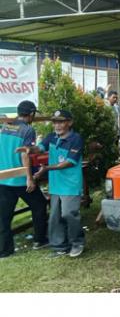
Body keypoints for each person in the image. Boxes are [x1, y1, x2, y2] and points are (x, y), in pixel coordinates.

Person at [17, 110, 85, 258]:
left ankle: (77, 242)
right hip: (56, 185)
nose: (57, 125)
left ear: (70, 122)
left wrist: (47, 168)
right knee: (55, 217)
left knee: (69, 213)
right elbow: (40, 148)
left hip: (70, 184)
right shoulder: (51, 137)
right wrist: (30, 149)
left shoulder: (76, 139)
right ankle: (60, 246)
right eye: (55, 122)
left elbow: (68, 163)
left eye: (61, 121)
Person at [0, 101, 48, 259]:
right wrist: (29, 178)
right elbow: (24, 154)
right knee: (40, 205)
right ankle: (39, 240)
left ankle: (5, 250)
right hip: (20, 179)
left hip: (4, 178)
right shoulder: (28, 130)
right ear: (31, 114)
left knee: (4, 216)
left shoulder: (6, 126)